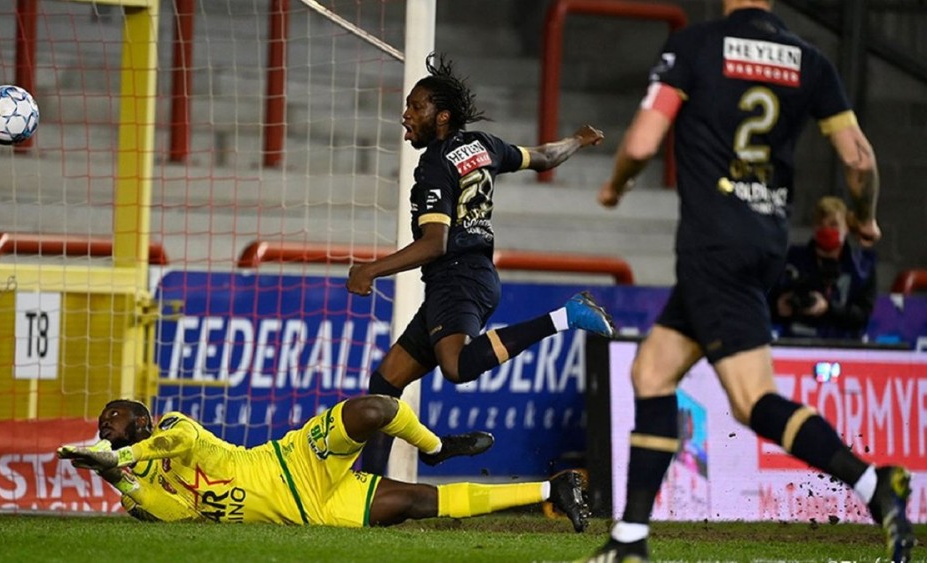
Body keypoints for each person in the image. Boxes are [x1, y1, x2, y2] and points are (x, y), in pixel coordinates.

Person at [590, 1, 913, 561]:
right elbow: (859, 160)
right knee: (652, 371)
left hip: (713, 246)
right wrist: (864, 218)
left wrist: (617, 185)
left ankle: (873, 483)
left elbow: (642, 142)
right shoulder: (810, 61)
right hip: (765, 243)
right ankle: (629, 540)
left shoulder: (695, 46)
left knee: (751, 400)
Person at [346, 53, 615, 474]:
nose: (406, 115)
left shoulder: (434, 164)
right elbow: (544, 157)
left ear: (442, 116)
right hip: (467, 278)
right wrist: (578, 140)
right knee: (386, 381)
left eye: (416, 107)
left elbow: (435, 244)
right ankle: (374, 483)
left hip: (458, 278)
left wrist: (370, 269)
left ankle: (566, 315)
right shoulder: (484, 146)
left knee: (457, 366)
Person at [57, 396, 591, 532]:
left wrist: (118, 456)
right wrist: (116, 476)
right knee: (417, 502)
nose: (104, 421)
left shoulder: (173, 428)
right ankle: (554, 489)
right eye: (102, 420)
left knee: (373, 410)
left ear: (143, 420)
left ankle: (434, 447)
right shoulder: (143, 484)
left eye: (114, 415)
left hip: (293, 464)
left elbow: (173, 445)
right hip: (313, 513)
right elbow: (178, 517)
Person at [770, 195, 877, 340]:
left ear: (846, 228)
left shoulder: (862, 267)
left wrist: (828, 308)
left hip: (846, 345)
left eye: (833, 224)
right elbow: (766, 303)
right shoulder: (792, 260)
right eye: (821, 224)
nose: (826, 230)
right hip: (798, 342)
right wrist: (778, 307)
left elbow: (862, 316)